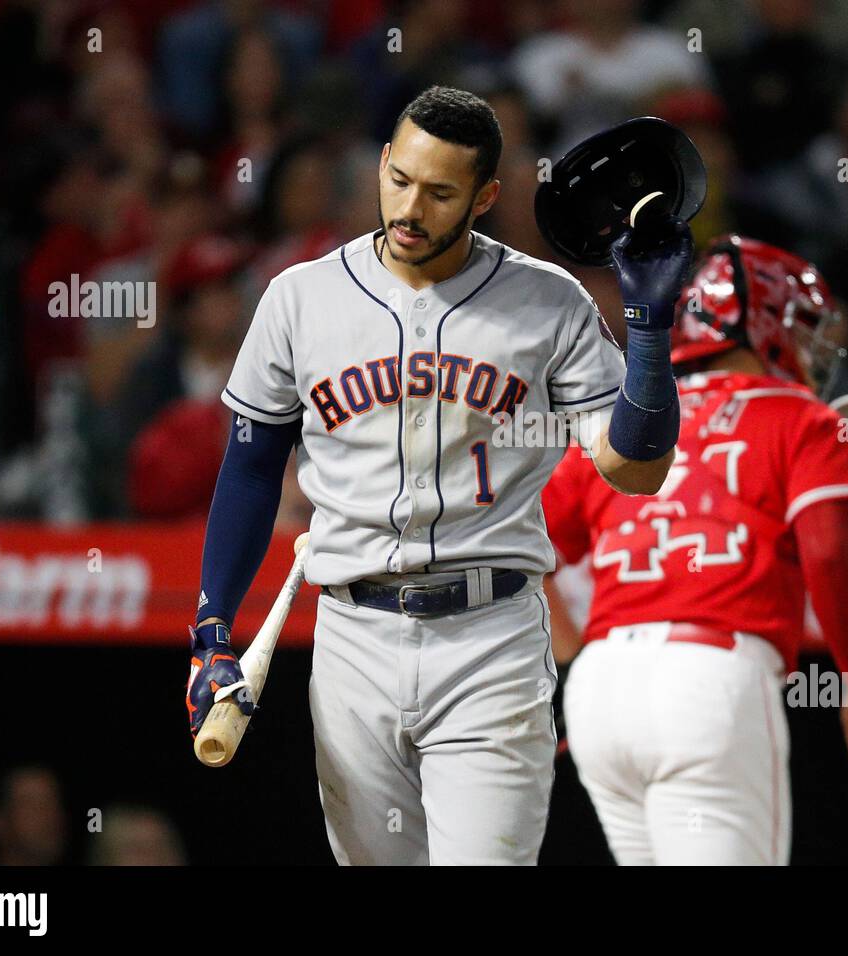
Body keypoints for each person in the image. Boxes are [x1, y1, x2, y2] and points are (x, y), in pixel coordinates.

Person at [185, 86, 693, 865]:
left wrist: (650, 338)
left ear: (485, 197)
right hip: (352, 635)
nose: (411, 207)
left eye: (442, 191)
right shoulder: (299, 298)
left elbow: (636, 469)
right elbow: (252, 468)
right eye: (401, 179)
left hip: (490, 636)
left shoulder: (547, 302)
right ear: (384, 162)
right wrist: (212, 626)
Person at [542, 235, 848, 865]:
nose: (812, 350)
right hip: (711, 681)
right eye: (803, 328)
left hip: (601, 688)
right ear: (764, 324)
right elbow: (829, 550)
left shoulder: (625, 420)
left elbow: (520, 555)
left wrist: (571, 664)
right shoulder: (800, 416)